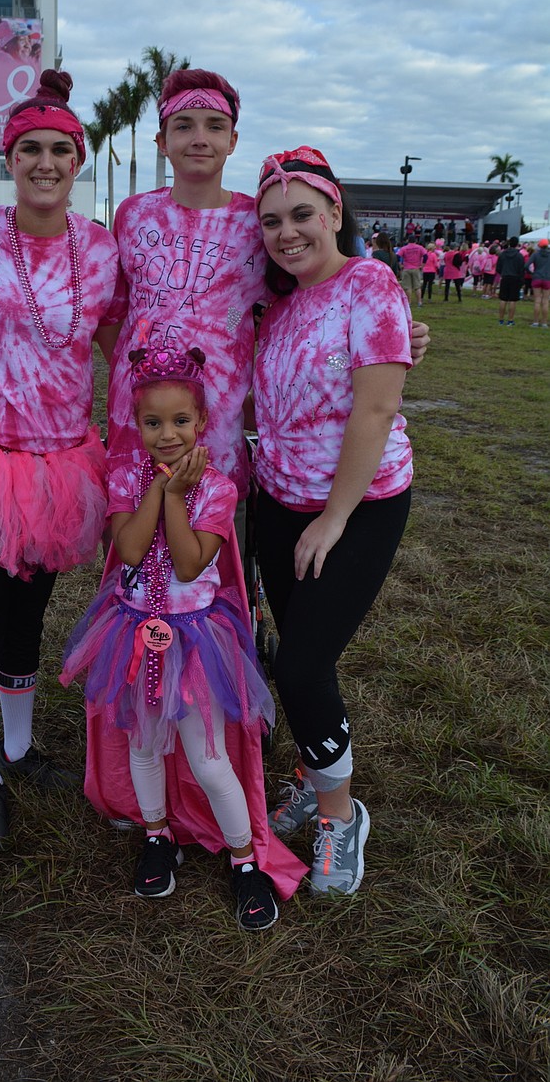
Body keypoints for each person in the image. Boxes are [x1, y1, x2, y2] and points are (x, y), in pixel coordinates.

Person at [0, 70, 124, 854]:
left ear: (78, 161)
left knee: (29, 618)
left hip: (60, 466)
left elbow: (117, 338)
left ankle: (18, 745)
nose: (45, 162)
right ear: (9, 159)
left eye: (60, 150)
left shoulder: (99, 248)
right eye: (30, 149)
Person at [105, 68, 430, 517]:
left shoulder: (256, 222)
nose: (199, 138)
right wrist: (136, 372)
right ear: (162, 141)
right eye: (183, 126)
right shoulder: (133, 214)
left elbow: (307, 301)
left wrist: (387, 339)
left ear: (233, 141)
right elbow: (114, 314)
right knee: (131, 542)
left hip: (216, 425)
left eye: (214, 126)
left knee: (212, 543)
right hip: (137, 417)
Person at [61, 346, 306, 930]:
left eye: (179, 421)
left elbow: (192, 563)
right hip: (130, 634)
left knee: (209, 758)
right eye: (152, 423)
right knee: (143, 747)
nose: (166, 434)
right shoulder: (125, 479)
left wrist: (177, 496)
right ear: (136, 423)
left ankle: (244, 860)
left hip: (195, 642)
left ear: (201, 422)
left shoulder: (217, 489)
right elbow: (128, 550)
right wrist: (160, 489)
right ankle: (157, 835)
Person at [253, 147, 413, 896]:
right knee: (300, 657)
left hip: (358, 505)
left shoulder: (370, 283)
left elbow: (376, 408)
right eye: (271, 222)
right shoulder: (279, 306)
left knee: (301, 665)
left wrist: (335, 516)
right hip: (277, 503)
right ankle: (310, 777)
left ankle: (342, 816)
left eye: (301, 215)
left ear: (333, 213)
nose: (287, 233)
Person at [496, 237, 525, 326]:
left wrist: (503, 273)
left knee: (503, 299)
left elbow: (498, 268)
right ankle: (510, 320)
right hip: (515, 278)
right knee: (513, 300)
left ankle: (501, 320)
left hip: (505, 277)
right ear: (517, 244)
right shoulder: (519, 256)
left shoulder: (503, 254)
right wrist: (521, 281)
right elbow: (521, 269)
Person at [396, 233, 424, 308]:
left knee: (407, 287)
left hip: (406, 268)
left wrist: (400, 264)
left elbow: (398, 256)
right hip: (416, 268)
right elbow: (425, 256)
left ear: (408, 240)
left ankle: (409, 303)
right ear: (415, 240)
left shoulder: (404, 248)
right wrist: (422, 265)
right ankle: (419, 302)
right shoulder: (420, 248)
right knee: (417, 286)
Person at [527, 238, 550, 326]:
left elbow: (526, 265)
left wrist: (531, 273)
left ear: (539, 246)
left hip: (537, 277)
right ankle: (544, 323)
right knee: (545, 301)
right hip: (547, 279)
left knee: (537, 301)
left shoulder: (535, 254)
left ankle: (535, 322)